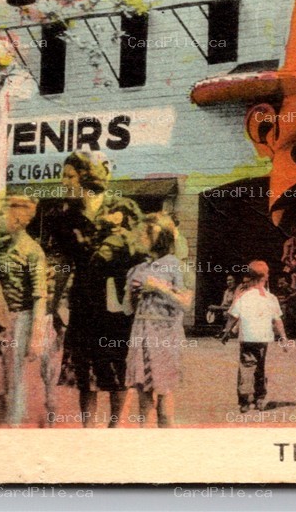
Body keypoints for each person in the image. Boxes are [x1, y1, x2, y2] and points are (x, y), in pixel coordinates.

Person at [54, 152, 145, 427]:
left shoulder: (124, 208)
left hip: (118, 301)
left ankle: (115, 427)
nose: (64, 181)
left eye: (69, 176)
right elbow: (63, 264)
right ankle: (89, 431)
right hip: (83, 302)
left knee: (118, 367)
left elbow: (143, 251)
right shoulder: (64, 217)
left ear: (87, 176)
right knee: (86, 371)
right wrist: (53, 305)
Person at [124, 212, 193, 428]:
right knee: (143, 398)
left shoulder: (175, 265)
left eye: (147, 233)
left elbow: (185, 303)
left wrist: (159, 287)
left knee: (164, 397)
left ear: (160, 236)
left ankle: (166, 444)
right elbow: (127, 310)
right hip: (141, 332)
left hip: (164, 335)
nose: (141, 238)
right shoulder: (137, 269)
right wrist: (131, 294)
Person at [0, 194, 49, 427]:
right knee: (0, 375)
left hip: (22, 319)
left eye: (2, 214)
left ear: (17, 219)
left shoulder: (33, 251)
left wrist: (36, 336)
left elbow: (40, 296)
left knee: (17, 375)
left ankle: (15, 424)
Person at [227, 259, 288, 412]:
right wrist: (283, 338)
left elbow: (233, 316)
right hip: (264, 337)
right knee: (260, 367)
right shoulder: (270, 298)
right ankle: (260, 398)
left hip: (247, 336)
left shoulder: (243, 296)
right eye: (267, 274)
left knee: (246, 367)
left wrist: (226, 332)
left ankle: (245, 401)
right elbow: (277, 320)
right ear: (264, 277)